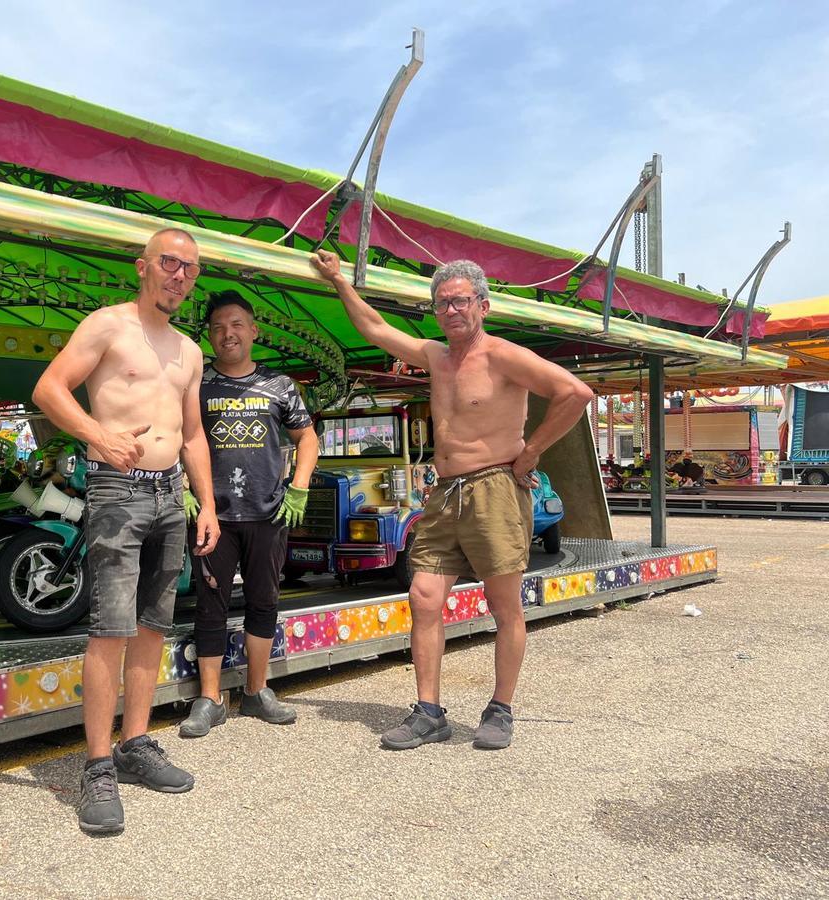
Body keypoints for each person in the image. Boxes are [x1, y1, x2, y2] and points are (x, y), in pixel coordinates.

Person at [311, 251, 593, 751]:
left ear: (483, 306)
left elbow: (574, 393)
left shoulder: (503, 356)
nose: (451, 310)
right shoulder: (436, 357)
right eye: (442, 303)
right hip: (444, 492)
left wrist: (530, 452)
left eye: (461, 301)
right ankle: (429, 712)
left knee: (503, 604)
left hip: (495, 488)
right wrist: (338, 280)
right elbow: (375, 328)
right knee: (423, 597)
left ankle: (500, 708)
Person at [32, 227, 220, 835]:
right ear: (143, 266)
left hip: (170, 494)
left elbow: (193, 434)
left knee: (152, 626)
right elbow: (48, 388)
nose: (179, 275)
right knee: (109, 630)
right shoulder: (108, 325)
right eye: (169, 262)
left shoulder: (189, 351)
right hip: (117, 488)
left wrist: (207, 505)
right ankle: (96, 766)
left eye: (190, 268)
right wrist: (98, 435)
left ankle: (135, 744)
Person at [177, 290, 320, 738]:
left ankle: (257, 691)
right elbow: (178, 436)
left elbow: (307, 438)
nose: (228, 334)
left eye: (237, 324)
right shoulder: (198, 384)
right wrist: (184, 486)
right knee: (210, 605)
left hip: (268, 513)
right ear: (209, 335)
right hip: (212, 517)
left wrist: (299, 487)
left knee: (264, 601)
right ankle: (210, 699)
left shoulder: (280, 385)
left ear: (253, 330)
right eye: (218, 327)